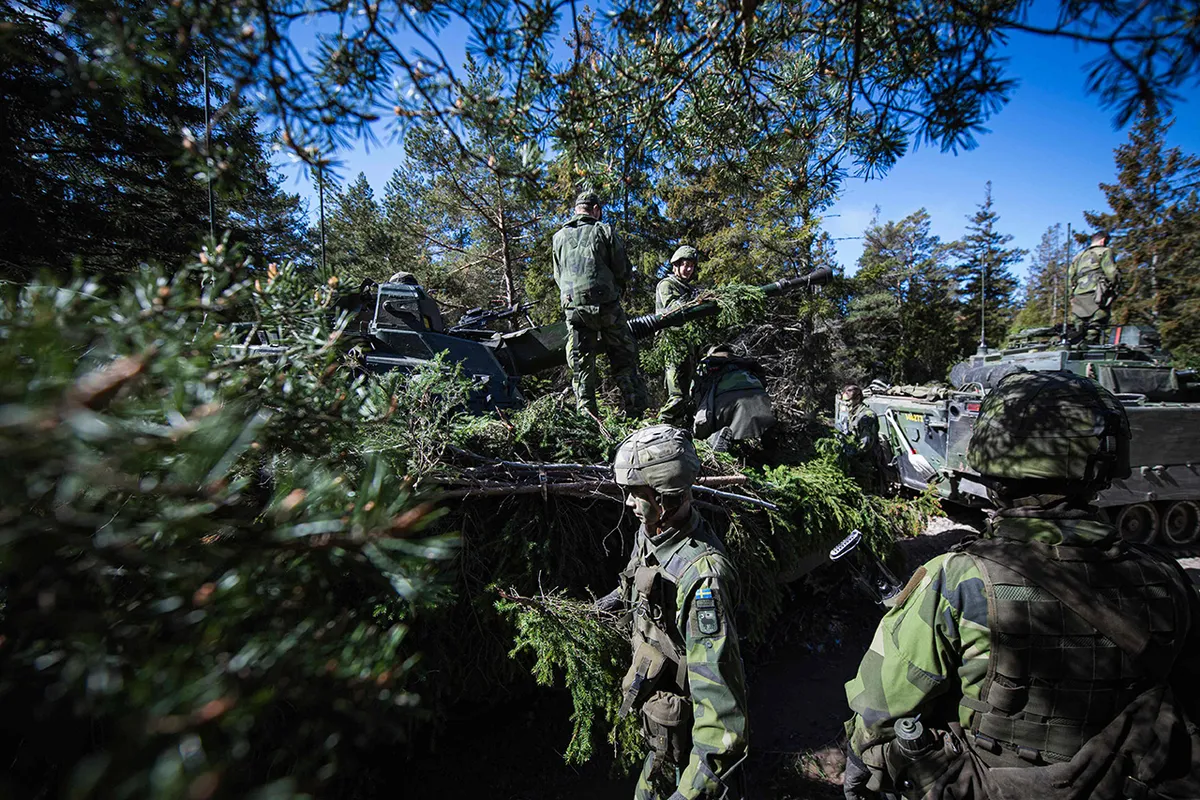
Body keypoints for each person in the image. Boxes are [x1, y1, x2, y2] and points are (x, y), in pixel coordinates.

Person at [842, 370, 1200, 800]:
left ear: (994, 467)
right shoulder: (1166, 576)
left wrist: (860, 761)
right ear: (1102, 468)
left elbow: (879, 708)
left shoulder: (956, 579)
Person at [596, 425, 749, 799]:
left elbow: (722, 712)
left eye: (636, 493)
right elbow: (638, 582)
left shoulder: (702, 579)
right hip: (659, 713)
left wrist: (692, 792)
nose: (629, 503)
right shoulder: (651, 532)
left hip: (688, 738)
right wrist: (607, 602)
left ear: (667, 497)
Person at [551, 190, 648, 417]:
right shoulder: (604, 230)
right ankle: (636, 414)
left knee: (581, 363)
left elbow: (558, 275)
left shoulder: (558, 237)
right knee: (623, 357)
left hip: (574, 309)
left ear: (576, 210)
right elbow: (622, 269)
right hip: (607, 307)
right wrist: (617, 290)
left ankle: (588, 419)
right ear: (596, 210)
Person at [691, 345, 776, 453]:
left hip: (725, 404)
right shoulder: (744, 362)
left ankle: (715, 438)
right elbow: (763, 383)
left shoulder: (707, 362)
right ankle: (770, 446)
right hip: (760, 403)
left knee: (701, 430)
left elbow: (695, 392)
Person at [656, 245, 702, 426]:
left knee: (688, 396)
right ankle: (661, 428)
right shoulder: (667, 285)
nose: (689, 269)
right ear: (675, 265)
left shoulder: (688, 289)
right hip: (672, 344)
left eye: (691, 266)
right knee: (676, 395)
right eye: (685, 265)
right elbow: (674, 309)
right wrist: (697, 302)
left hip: (687, 345)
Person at [1069, 231, 1120, 344]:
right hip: (1097, 293)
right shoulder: (1105, 251)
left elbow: (1070, 278)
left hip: (1079, 296)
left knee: (1079, 328)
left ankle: (1079, 349)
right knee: (1096, 325)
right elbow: (1111, 272)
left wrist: (1071, 296)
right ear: (1103, 240)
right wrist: (1114, 288)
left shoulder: (1078, 257)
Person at [838, 384, 880, 483]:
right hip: (855, 461)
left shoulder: (867, 416)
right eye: (844, 401)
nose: (846, 404)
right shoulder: (852, 413)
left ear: (858, 398)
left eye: (848, 401)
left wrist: (850, 454)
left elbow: (866, 444)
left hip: (866, 463)